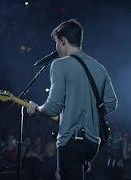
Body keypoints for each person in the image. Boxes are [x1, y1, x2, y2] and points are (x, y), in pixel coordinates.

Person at [27, 19, 118, 180]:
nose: (56, 47)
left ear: (63, 40)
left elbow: (52, 107)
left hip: (70, 142)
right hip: (93, 144)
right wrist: (89, 114)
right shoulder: (99, 67)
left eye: (56, 42)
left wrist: (36, 108)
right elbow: (111, 103)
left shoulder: (59, 65)